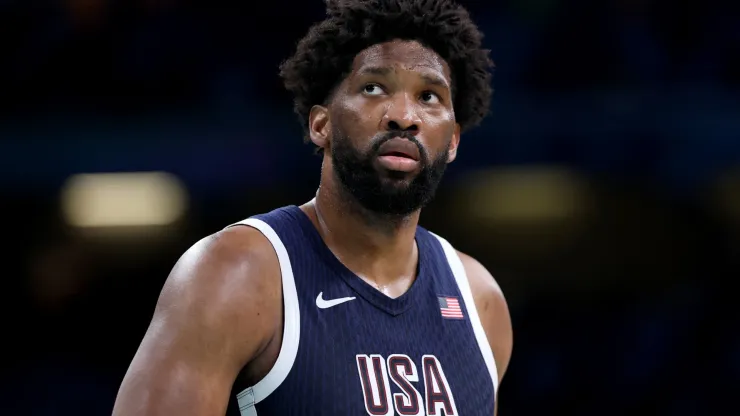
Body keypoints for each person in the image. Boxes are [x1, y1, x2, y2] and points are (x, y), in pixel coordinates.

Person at [112, 0, 513, 415]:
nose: (403, 116)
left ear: (452, 142)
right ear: (320, 124)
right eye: (373, 88)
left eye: (429, 96)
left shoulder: (479, 300)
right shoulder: (236, 272)